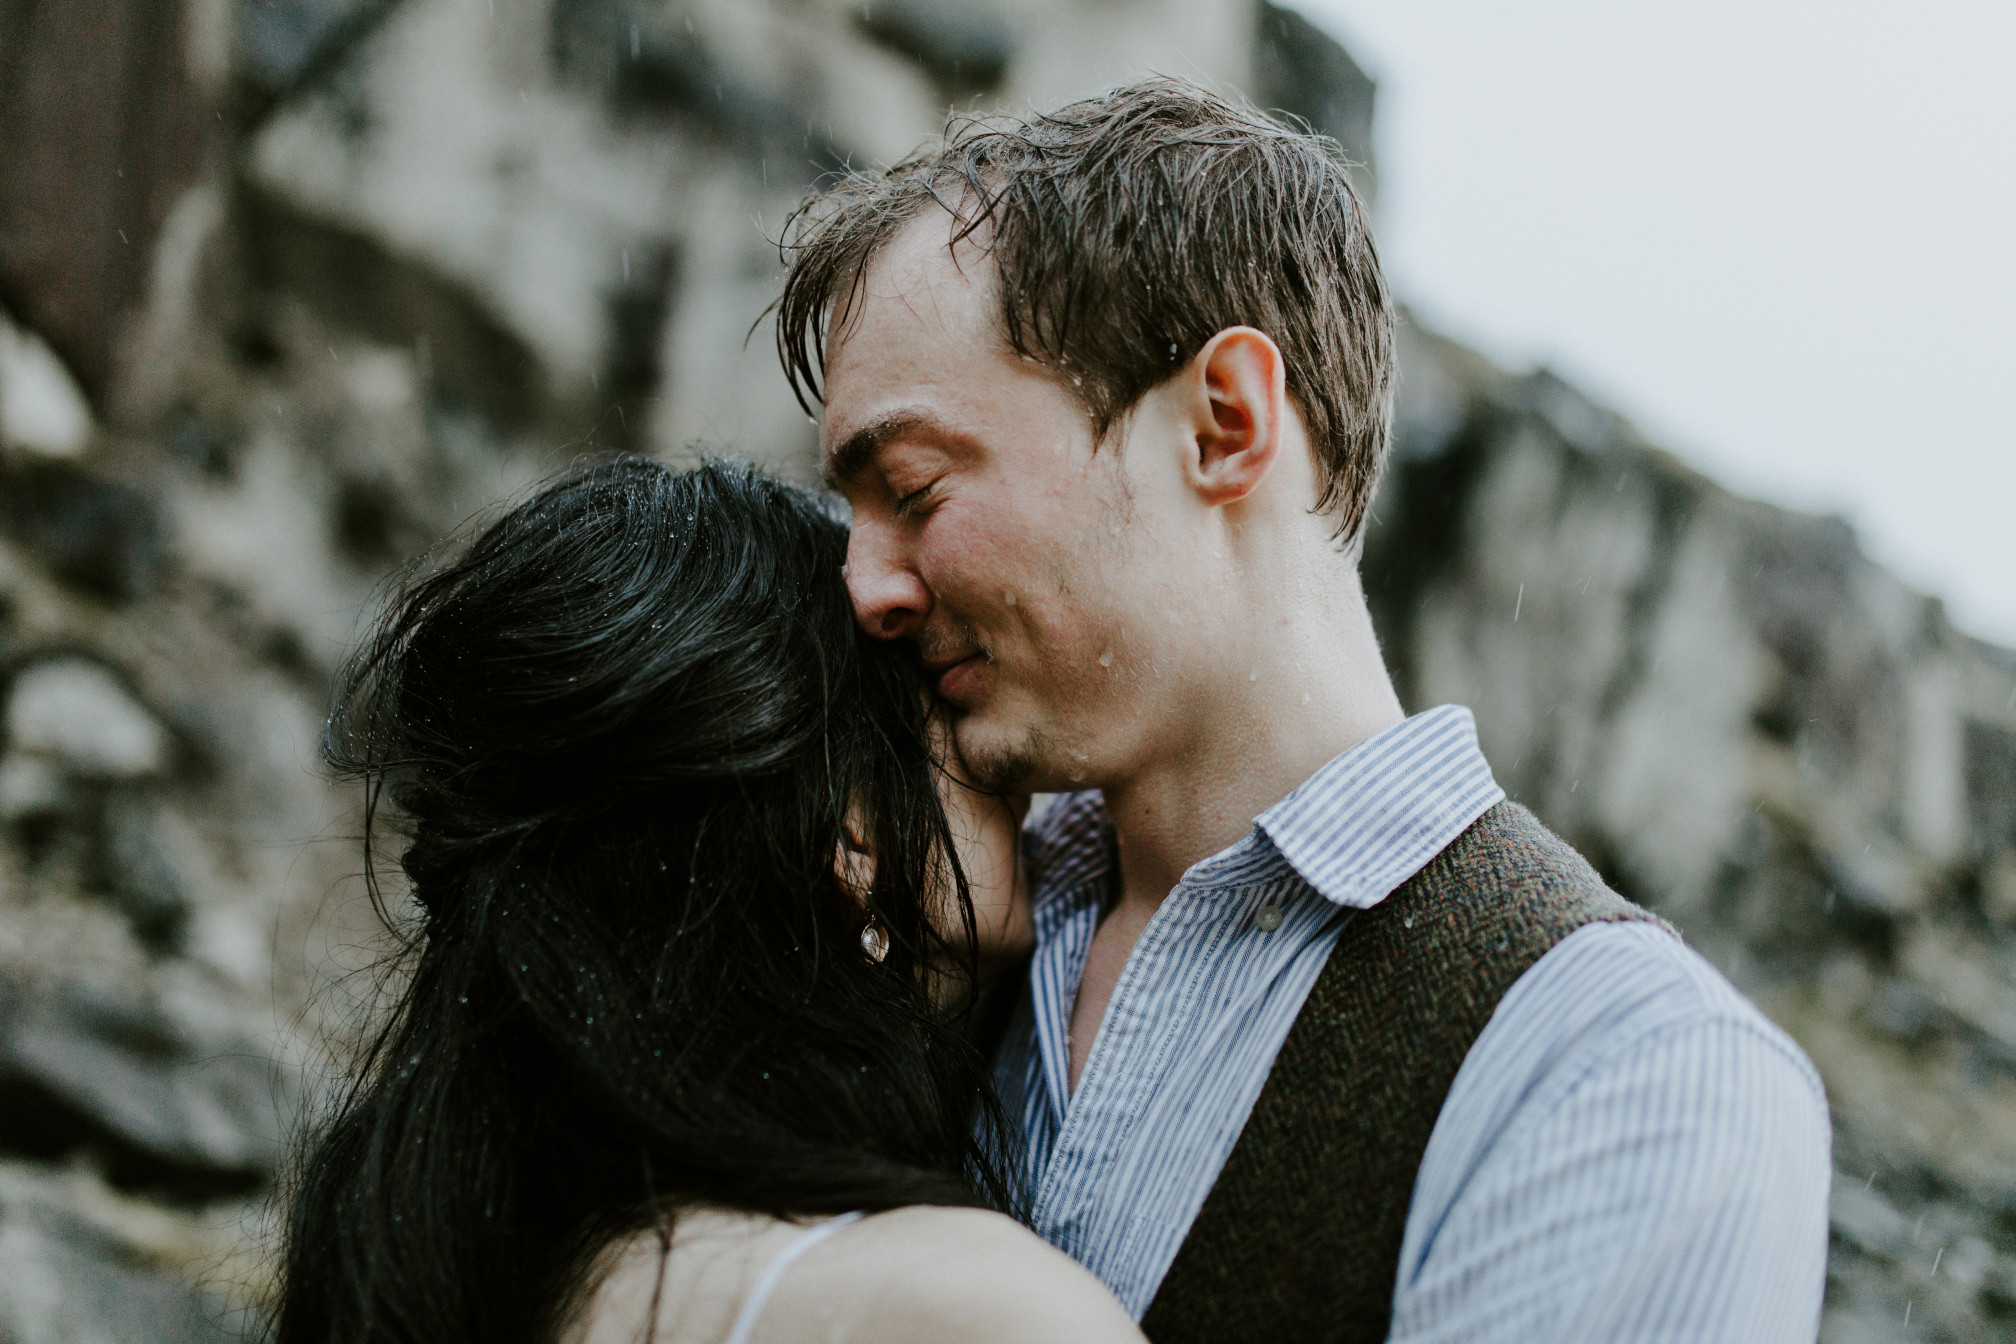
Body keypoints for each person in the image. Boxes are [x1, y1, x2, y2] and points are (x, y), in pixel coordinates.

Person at [778, 79, 1833, 1342]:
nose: (864, 587)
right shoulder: (933, 908)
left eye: (916, 486)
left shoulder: (1625, 1073)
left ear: (1227, 425)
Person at [278, 457, 1144, 1344]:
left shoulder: (479, 1259)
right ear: (850, 841)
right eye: (943, 704)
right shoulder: (960, 1310)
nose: (1010, 773)